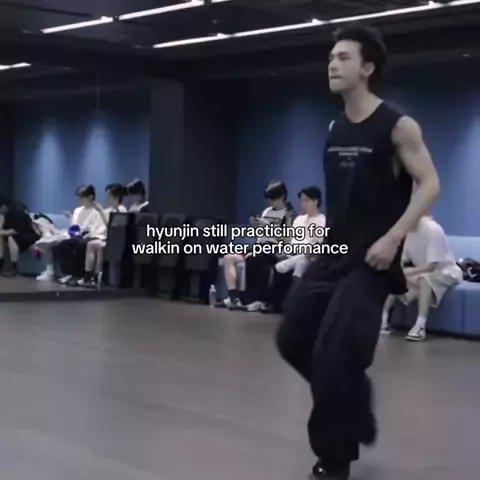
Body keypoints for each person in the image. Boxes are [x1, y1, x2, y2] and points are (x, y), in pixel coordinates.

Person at [276, 26, 440, 480]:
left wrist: (394, 238)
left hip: (372, 261)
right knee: (292, 339)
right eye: (331, 57)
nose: (333, 64)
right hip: (334, 252)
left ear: (367, 68)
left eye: (344, 57)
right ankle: (355, 397)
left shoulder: (397, 126)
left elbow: (430, 183)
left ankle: (334, 460)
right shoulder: (335, 127)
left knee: (335, 355)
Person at [215, 180, 295, 310]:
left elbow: (287, 239)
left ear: (281, 196)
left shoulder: (289, 214)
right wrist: (256, 225)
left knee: (256, 258)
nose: (270, 202)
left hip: (275, 248)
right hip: (259, 246)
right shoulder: (267, 211)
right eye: (268, 199)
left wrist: (269, 227)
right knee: (228, 257)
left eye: (272, 198)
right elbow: (261, 235)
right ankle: (233, 298)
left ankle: (255, 299)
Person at [381, 215, 462, 341]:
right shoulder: (405, 231)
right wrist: (398, 271)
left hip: (446, 272)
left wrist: (409, 272)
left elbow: (432, 266)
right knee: (393, 276)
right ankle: (383, 321)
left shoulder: (433, 229)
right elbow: (401, 261)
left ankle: (420, 326)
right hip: (422, 271)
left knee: (424, 278)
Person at [261, 186, 326, 314]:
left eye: (306, 201)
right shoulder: (299, 219)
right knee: (279, 266)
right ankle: (275, 303)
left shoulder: (322, 220)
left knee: (300, 263)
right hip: (294, 252)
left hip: (309, 256)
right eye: (302, 201)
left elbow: (318, 244)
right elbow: (291, 240)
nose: (303, 204)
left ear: (316, 201)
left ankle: (295, 305)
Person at [53, 185, 104, 286]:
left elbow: (99, 227)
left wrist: (89, 234)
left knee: (80, 245)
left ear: (90, 197)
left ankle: (78, 275)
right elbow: (74, 226)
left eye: (82, 197)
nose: (79, 200)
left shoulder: (97, 211)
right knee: (62, 246)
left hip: (89, 236)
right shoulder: (78, 210)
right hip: (77, 235)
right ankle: (68, 273)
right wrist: (71, 220)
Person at [79, 183, 128, 287]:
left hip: (117, 241)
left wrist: (101, 211)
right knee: (91, 244)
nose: (107, 199)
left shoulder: (121, 210)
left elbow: (112, 227)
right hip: (107, 239)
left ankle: (97, 277)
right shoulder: (110, 210)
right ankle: (89, 276)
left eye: (109, 196)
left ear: (116, 197)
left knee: (99, 246)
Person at [0, 197, 40, 277]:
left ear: (4, 206)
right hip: (17, 236)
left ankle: (14, 268)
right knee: (2, 237)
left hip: (28, 236)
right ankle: (1, 263)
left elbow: (16, 230)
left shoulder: (17, 212)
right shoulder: (7, 214)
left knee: (11, 237)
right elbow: (4, 229)